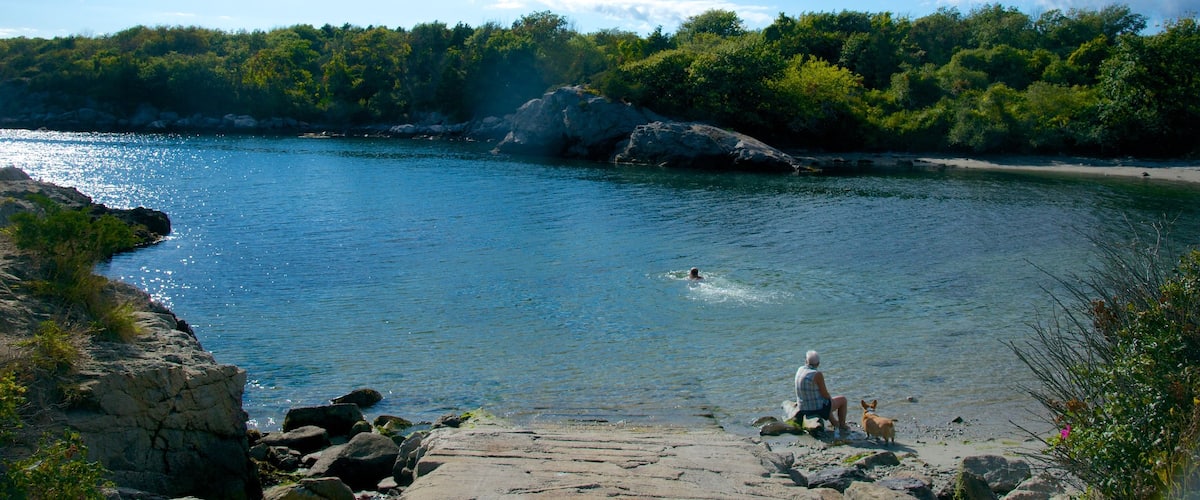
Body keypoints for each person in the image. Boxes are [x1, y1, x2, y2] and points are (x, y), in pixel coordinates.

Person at [794, 350, 849, 434]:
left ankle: (834, 423)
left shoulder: (800, 369)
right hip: (814, 409)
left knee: (822, 400)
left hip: (802, 407)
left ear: (806, 361)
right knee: (842, 400)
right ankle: (842, 425)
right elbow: (825, 394)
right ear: (818, 363)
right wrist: (831, 399)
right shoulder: (817, 374)